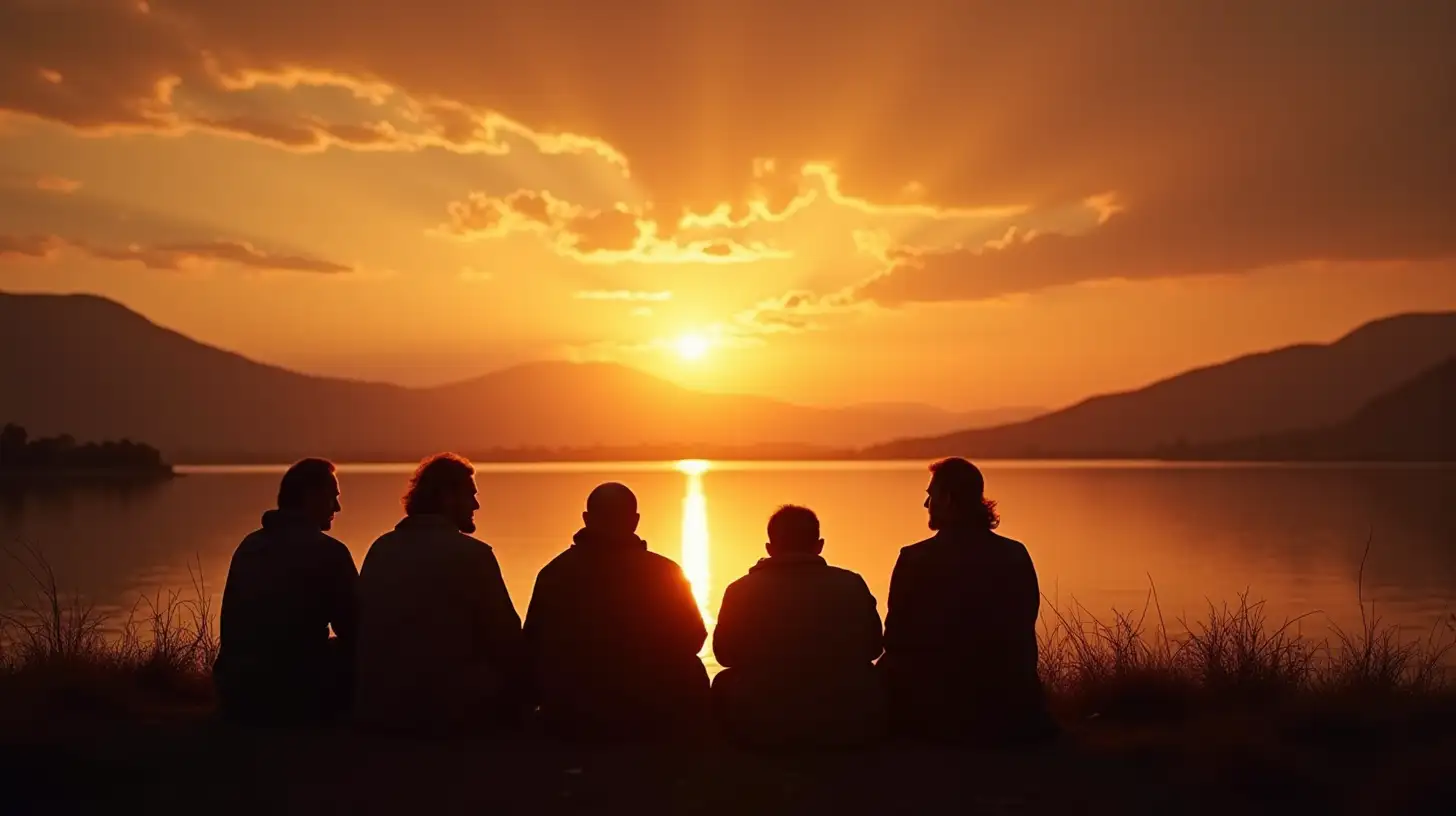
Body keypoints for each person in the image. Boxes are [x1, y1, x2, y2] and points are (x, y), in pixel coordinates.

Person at [880, 457, 1057, 745]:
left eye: (931, 495)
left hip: (936, 714)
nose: (926, 504)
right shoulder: (1015, 554)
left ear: (948, 500)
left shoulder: (914, 559)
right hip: (1011, 709)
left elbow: (895, 639)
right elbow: (1023, 627)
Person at [352, 453, 525, 736]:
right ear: (446, 497)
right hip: (445, 710)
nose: (476, 505)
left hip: (380, 707)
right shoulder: (474, 555)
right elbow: (507, 636)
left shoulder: (380, 549)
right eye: (470, 495)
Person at [524, 482, 709, 741]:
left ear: (587, 519)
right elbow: (695, 637)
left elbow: (531, 644)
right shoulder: (666, 572)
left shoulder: (554, 573)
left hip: (576, 710)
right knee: (693, 667)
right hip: (651, 708)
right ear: (635, 521)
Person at [711, 505, 886, 748]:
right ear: (819, 546)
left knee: (723, 680)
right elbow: (874, 647)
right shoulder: (851, 583)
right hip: (842, 715)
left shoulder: (740, 589)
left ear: (770, 549)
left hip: (763, 718)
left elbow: (723, 654)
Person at [215, 458, 357, 726]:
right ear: (311, 497)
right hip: (292, 694)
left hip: (235, 690)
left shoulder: (250, 545)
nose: (337, 507)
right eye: (332, 497)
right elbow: (356, 628)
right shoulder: (329, 552)